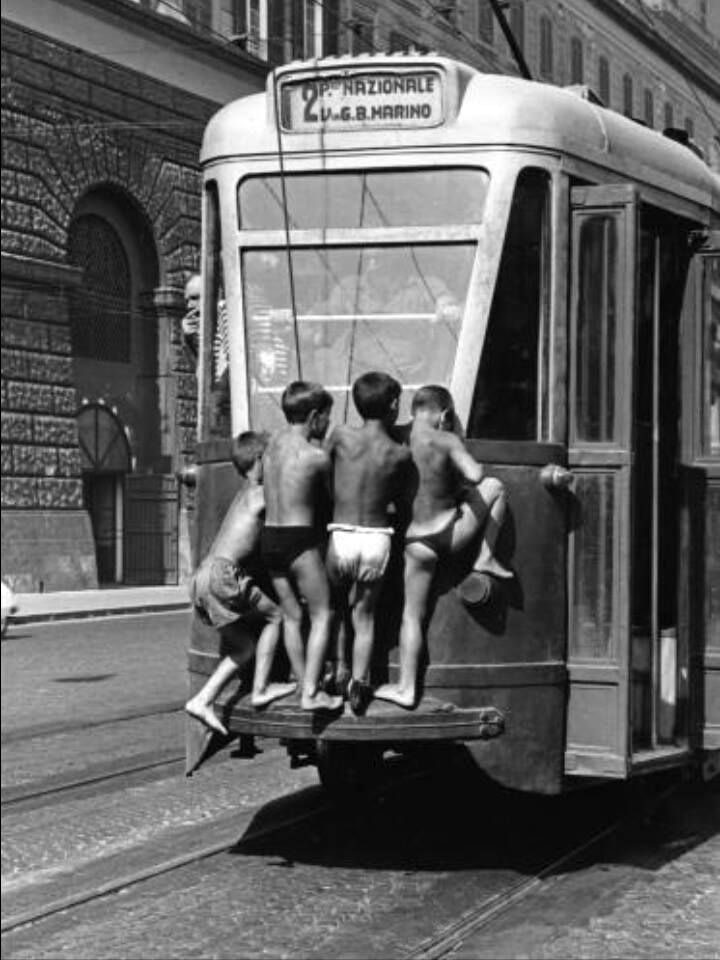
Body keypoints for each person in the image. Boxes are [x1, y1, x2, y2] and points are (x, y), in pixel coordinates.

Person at [375, 385, 513, 710]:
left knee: (412, 615)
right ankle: (486, 557)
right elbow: (477, 475)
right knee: (496, 486)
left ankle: (405, 688)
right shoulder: (446, 439)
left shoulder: (398, 436)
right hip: (449, 533)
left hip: (415, 541)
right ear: (446, 414)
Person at [185, 431, 296, 735]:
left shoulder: (242, 494)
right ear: (261, 460)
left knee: (243, 648)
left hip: (203, 576)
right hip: (224, 575)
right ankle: (261, 689)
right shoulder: (261, 495)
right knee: (277, 616)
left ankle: (203, 699)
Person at [324, 372, 412, 714]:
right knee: (365, 615)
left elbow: (327, 478)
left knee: (335, 608)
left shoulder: (341, 436)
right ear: (393, 406)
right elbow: (398, 497)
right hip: (377, 539)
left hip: (341, 533)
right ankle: (360, 683)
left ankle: (337, 668)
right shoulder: (398, 453)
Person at [260, 381, 343, 713]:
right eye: (326, 417)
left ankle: (300, 682)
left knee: (292, 615)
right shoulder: (316, 457)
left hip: (270, 539)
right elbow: (332, 499)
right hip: (299, 539)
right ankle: (312, 693)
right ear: (314, 416)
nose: (327, 424)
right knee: (323, 612)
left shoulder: (271, 449)